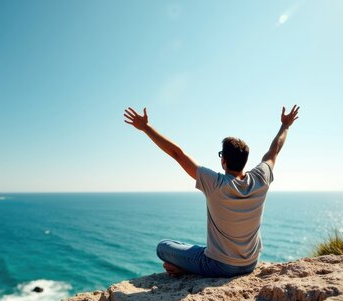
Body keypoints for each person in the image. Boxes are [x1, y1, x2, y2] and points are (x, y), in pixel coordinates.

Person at [123, 105, 300, 277]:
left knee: (163, 246)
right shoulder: (261, 177)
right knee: (197, 248)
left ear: (223, 161)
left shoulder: (215, 183)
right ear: (245, 160)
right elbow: (274, 150)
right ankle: (193, 264)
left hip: (220, 266)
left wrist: (146, 128)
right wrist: (285, 125)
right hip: (250, 263)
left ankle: (190, 269)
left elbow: (177, 154)